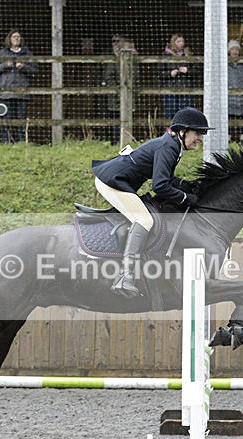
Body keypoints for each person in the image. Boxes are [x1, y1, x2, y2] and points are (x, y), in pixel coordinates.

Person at [91, 107, 211, 298]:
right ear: (182, 131)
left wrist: (186, 185)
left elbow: (165, 177)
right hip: (111, 181)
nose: (200, 138)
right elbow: (160, 186)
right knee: (145, 220)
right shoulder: (169, 147)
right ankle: (125, 276)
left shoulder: (173, 145)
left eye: (202, 134)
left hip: (118, 179)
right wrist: (184, 198)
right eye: (197, 133)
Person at [0, 29, 38, 143]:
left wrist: (24, 67)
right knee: (6, 120)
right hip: (5, 93)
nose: (16, 38)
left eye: (18, 36)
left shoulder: (27, 53)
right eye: (14, 36)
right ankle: (6, 142)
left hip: (21, 92)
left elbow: (35, 70)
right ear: (9, 39)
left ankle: (22, 143)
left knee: (21, 120)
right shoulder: (2, 53)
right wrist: (5, 65)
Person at [101, 36, 136, 144]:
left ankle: (127, 141)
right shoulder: (113, 60)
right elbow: (109, 77)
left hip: (130, 95)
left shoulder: (133, 61)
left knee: (129, 119)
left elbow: (136, 79)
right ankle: (117, 142)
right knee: (117, 119)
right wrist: (118, 91)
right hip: (116, 97)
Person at [159, 33, 196, 120]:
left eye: (182, 41)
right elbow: (159, 73)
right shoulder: (166, 55)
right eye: (178, 41)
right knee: (170, 114)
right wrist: (170, 73)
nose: (181, 43)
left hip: (186, 89)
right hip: (170, 90)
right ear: (173, 42)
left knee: (186, 114)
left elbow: (197, 71)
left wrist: (188, 71)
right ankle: (170, 129)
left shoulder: (188, 54)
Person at [227, 40, 243, 145]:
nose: (235, 51)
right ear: (229, 51)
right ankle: (228, 143)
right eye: (233, 49)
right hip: (229, 99)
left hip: (242, 99)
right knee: (229, 122)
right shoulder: (226, 66)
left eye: (237, 49)